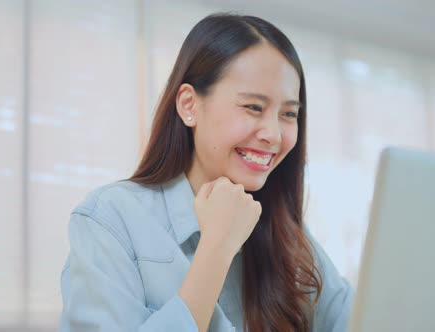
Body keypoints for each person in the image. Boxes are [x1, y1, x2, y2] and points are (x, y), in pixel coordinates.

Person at [59, 13, 353, 332]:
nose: (274, 134)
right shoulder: (110, 219)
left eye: (288, 114)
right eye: (253, 107)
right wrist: (217, 248)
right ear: (189, 105)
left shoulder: (286, 232)